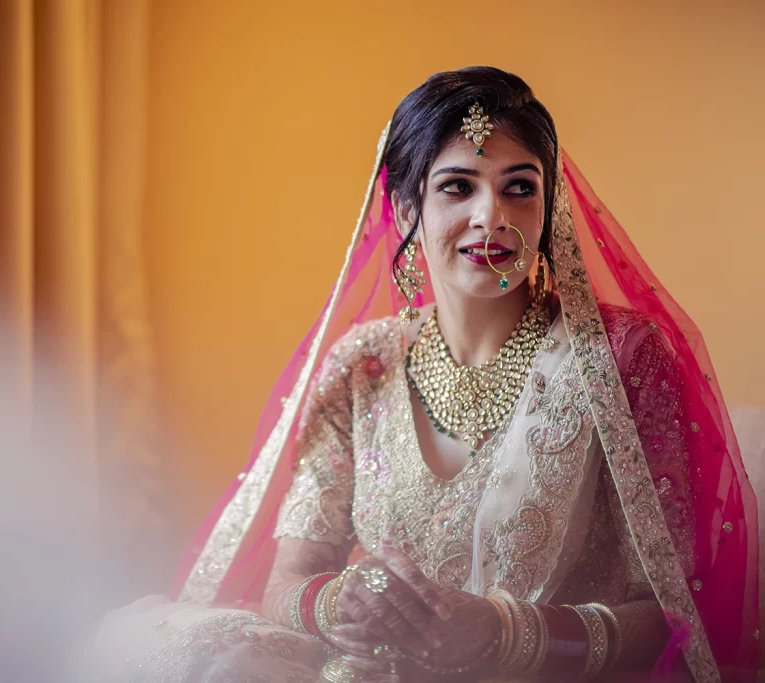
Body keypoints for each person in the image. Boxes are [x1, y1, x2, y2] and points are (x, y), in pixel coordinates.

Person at [89, 67, 758, 682]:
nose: (490, 215)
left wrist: (502, 634)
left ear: (547, 213)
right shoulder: (362, 364)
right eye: (457, 187)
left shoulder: (621, 357)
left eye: (519, 188)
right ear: (406, 211)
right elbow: (290, 579)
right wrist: (338, 604)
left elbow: (675, 613)